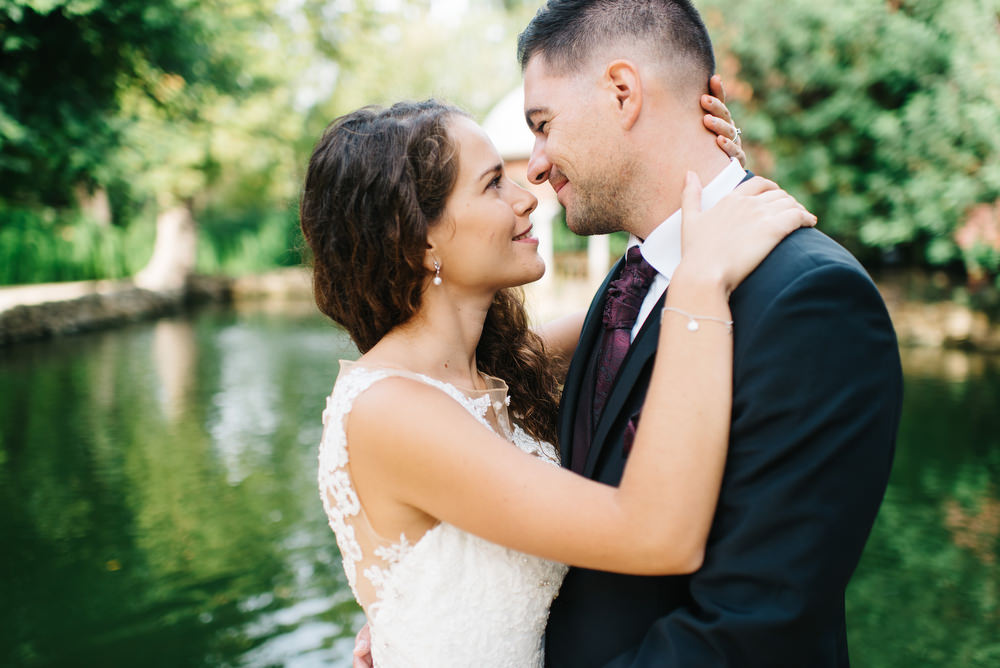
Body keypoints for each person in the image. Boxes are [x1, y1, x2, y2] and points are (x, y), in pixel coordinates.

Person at [302, 92, 815, 664]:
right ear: (420, 239)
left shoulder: (495, 369)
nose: (527, 198)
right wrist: (701, 286)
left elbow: (643, 296)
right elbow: (654, 535)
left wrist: (703, 163)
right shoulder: (390, 411)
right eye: (494, 183)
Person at [510, 1, 903, 666]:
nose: (535, 164)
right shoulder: (625, 286)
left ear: (623, 92)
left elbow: (754, 626)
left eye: (543, 126)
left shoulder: (810, 298)